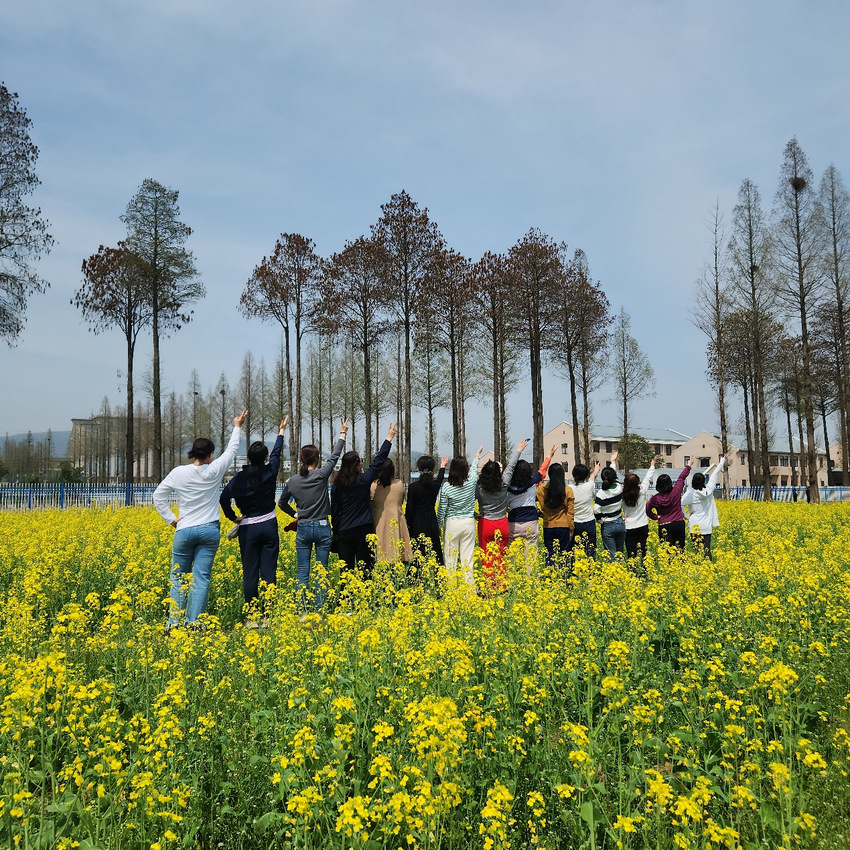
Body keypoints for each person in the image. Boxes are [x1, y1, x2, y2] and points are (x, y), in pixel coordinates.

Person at [154, 409, 247, 629]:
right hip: (209, 529)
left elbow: (158, 496)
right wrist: (237, 426)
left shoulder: (178, 472)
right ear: (210, 454)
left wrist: (171, 519)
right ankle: (195, 624)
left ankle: (173, 624)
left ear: (193, 453)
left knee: (178, 578)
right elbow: (232, 450)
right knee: (201, 578)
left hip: (184, 529)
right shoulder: (215, 470)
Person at [278, 418, 349, 613]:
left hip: (303, 527)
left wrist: (295, 513)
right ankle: (319, 610)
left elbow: (281, 503)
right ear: (316, 459)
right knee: (321, 571)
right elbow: (334, 457)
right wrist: (342, 433)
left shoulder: (293, 481)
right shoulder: (321, 475)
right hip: (322, 526)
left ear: (302, 459)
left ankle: (301, 610)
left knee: (303, 571)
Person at [220, 417, 288, 615]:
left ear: (249, 457)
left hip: (248, 527)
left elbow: (224, 498)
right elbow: (276, 453)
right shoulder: (270, 470)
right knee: (269, 571)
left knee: (250, 572)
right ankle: (269, 613)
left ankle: (252, 615)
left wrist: (233, 517)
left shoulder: (240, 477)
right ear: (265, 457)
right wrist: (281, 431)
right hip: (269, 525)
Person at [331, 423, 396, 582]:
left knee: (345, 572)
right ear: (356, 465)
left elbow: (334, 509)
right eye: (360, 460)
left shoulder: (337, 484)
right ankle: (365, 595)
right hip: (363, 530)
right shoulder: (364, 480)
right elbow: (378, 461)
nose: (362, 462)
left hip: (344, 531)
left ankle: (345, 596)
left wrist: (336, 530)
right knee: (366, 570)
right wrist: (389, 438)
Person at [476, 441, 525, 593]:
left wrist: (474, 514)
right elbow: (511, 467)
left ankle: (488, 587)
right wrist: (518, 450)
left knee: (487, 557)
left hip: (486, 524)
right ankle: (502, 586)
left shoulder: (479, 487)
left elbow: (467, 501)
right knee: (501, 555)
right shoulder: (504, 484)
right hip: (502, 523)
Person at [437, 446, 484, 587]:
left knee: (450, 559)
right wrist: (477, 456)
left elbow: (442, 509)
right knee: (467, 559)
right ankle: (469, 591)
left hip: (452, 524)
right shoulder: (471, 482)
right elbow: (474, 469)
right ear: (466, 469)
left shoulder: (447, 487)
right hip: (468, 523)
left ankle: (451, 590)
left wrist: (439, 525)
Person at [507, 445, 555, 569]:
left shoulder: (507, 488)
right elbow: (542, 471)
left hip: (513, 524)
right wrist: (549, 456)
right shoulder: (533, 483)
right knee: (531, 555)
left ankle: (511, 574)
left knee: (510, 554)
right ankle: (530, 576)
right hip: (531, 522)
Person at [682, 449, 734, 560]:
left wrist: (686, 516)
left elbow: (679, 504)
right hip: (706, 526)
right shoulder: (709, 490)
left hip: (694, 525)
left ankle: (698, 567)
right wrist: (722, 460)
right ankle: (708, 567)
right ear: (703, 481)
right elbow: (715, 474)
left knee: (697, 552)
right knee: (707, 550)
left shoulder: (690, 494)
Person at [405, 455, 447, 565]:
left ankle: (417, 574)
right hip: (431, 521)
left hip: (417, 522)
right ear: (432, 469)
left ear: (419, 468)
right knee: (435, 551)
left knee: (418, 552)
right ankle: (438, 573)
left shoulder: (413, 487)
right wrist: (442, 467)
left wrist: (407, 525)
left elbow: (409, 509)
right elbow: (440, 479)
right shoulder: (435, 486)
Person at [370, 458, 413, 563]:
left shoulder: (373, 486)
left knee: (380, 549)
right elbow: (402, 500)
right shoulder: (399, 484)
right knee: (396, 548)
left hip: (378, 521)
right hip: (396, 520)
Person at [646, 461, 693, 550]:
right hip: (678, 524)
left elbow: (647, 509)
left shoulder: (655, 499)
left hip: (664, 525)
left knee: (666, 552)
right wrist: (688, 466)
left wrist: (655, 517)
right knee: (680, 550)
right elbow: (681, 477)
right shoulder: (676, 491)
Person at [536, 461, 574, 568]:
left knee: (550, 554)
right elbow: (570, 513)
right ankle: (563, 574)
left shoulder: (542, 489)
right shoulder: (568, 490)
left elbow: (535, 502)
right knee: (564, 555)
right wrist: (571, 529)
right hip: (564, 526)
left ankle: (550, 575)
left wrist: (540, 513)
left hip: (548, 526)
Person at [622, 457, 657, 563]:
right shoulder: (642, 491)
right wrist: (652, 465)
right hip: (642, 525)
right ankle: (644, 570)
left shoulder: (622, 495)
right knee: (643, 552)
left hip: (629, 526)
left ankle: (632, 570)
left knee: (631, 553)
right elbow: (648, 478)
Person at [595, 451, 625, 561]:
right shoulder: (619, 488)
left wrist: (600, 520)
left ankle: (613, 572)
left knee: (611, 556)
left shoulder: (601, 494)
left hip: (608, 525)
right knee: (620, 554)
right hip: (620, 523)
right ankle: (621, 571)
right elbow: (613, 476)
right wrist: (613, 461)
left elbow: (596, 510)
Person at [571, 460, 602, 558]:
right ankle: (591, 566)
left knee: (575, 550)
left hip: (574, 522)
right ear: (586, 476)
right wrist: (596, 469)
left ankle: (575, 567)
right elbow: (593, 476)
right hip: (589, 522)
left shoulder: (569, 488)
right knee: (590, 550)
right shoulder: (589, 485)